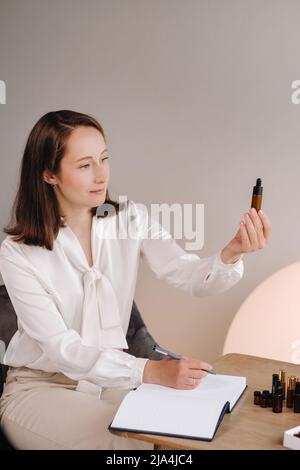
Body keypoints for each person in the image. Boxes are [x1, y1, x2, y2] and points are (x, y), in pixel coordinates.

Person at [0, 110, 271, 450]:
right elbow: (61, 348)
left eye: (104, 159)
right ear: (49, 173)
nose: (101, 175)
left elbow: (187, 274)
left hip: (112, 380)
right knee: (133, 444)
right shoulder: (17, 252)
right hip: (42, 389)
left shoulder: (129, 218)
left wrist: (231, 254)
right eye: (85, 166)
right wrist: (150, 372)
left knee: (188, 430)